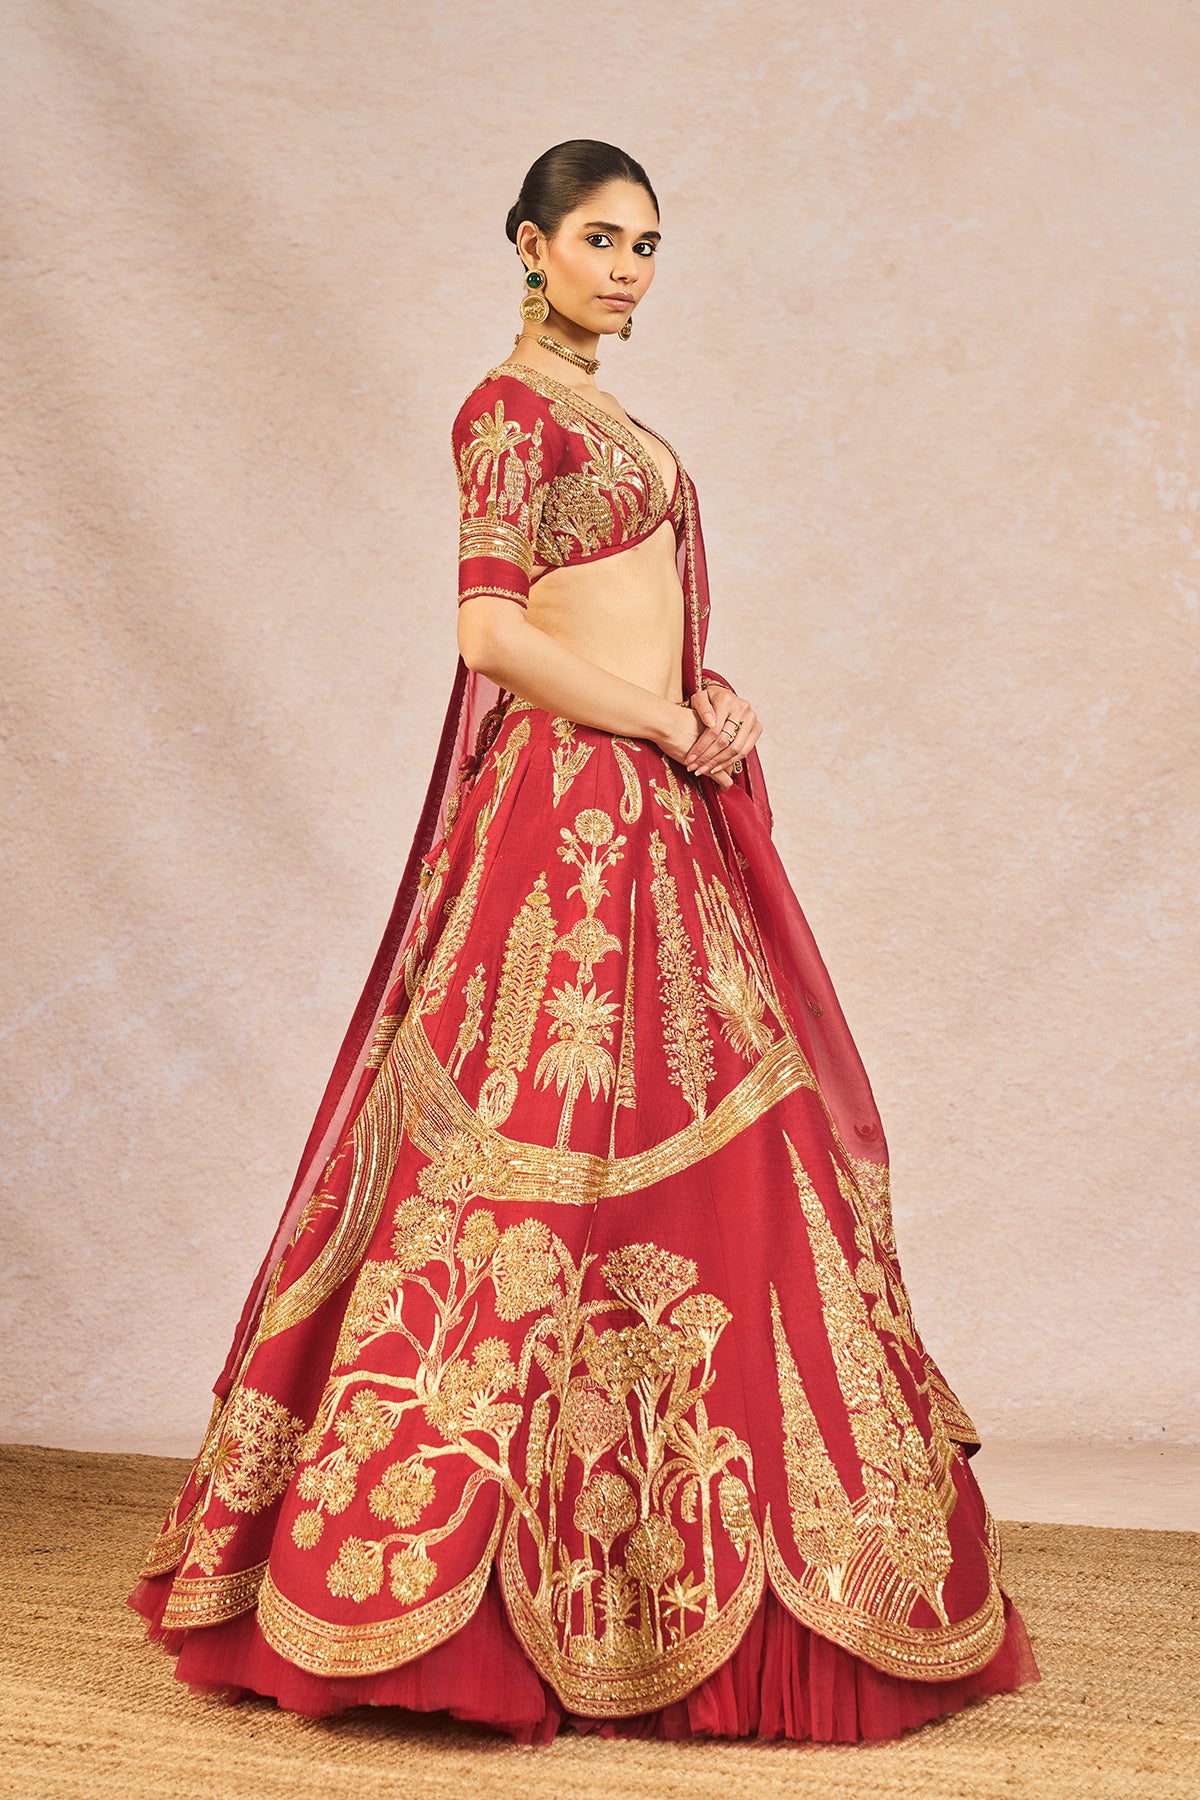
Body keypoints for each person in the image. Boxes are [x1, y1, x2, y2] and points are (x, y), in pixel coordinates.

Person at [129, 139, 1041, 1745]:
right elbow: (492, 632)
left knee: (718, 1162)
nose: (627, 269)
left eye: (648, 244)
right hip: (569, 820)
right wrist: (664, 722)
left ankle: (666, 1564)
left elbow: (621, 617)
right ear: (530, 245)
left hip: (648, 802)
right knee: (522, 1175)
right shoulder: (506, 410)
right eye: (601, 239)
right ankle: (448, 1580)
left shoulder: (605, 416)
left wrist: (707, 699)